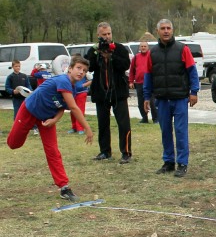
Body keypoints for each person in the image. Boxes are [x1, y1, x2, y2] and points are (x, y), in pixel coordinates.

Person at [7, 56, 94, 202]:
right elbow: (73, 107)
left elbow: (62, 108)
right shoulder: (63, 80)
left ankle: (64, 187)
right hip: (29, 110)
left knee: (53, 151)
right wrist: (87, 128)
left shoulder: (72, 90)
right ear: (70, 69)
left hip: (46, 118)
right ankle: (22, 129)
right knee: (14, 144)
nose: (81, 72)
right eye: (78, 68)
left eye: (84, 71)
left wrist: (54, 120)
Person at [144, 19, 200, 177]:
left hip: (180, 98)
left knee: (181, 131)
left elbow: (192, 72)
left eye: (168, 28)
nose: (166, 31)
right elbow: (148, 76)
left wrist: (194, 91)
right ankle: (168, 162)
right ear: (158, 31)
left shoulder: (183, 49)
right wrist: (147, 96)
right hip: (161, 99)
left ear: (173, 30)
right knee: (165, 131)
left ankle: (182, 163)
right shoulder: (152, 53)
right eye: (163, 28)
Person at [87, 21, 132, 164]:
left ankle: (126, 152)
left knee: (123, 124)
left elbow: (125, 65)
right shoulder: (93, 50)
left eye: (109, 34)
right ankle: (105, 151)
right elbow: (90, 67)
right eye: (103, 35)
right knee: (103, 124)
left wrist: (111, 56)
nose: (107, 37)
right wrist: (99, 54)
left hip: (118, 92)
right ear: (98, 35)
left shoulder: (120, 48)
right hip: (101, 93)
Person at [129, 37, 158, 124]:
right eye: (141, 46)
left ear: (148, 47)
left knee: (152, 102)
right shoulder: (136, 57)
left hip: (150, 83)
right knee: (141, 102)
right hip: (139, 83)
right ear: (139, 48)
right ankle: (144, 118)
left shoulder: (152, 56)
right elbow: (132, 70)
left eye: (145, 46)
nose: (143, 48)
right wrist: (131, 81)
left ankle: (155, 119)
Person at [67, 57, 91, 135]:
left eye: (83, 70)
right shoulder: (68, 70)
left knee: (80, 110)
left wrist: (83, 85)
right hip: (72, 92)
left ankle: (80, 128)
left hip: (81, 92)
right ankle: (74, 127)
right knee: (72, 110)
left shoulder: (85, 71)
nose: (81, 71)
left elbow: (92, 79)